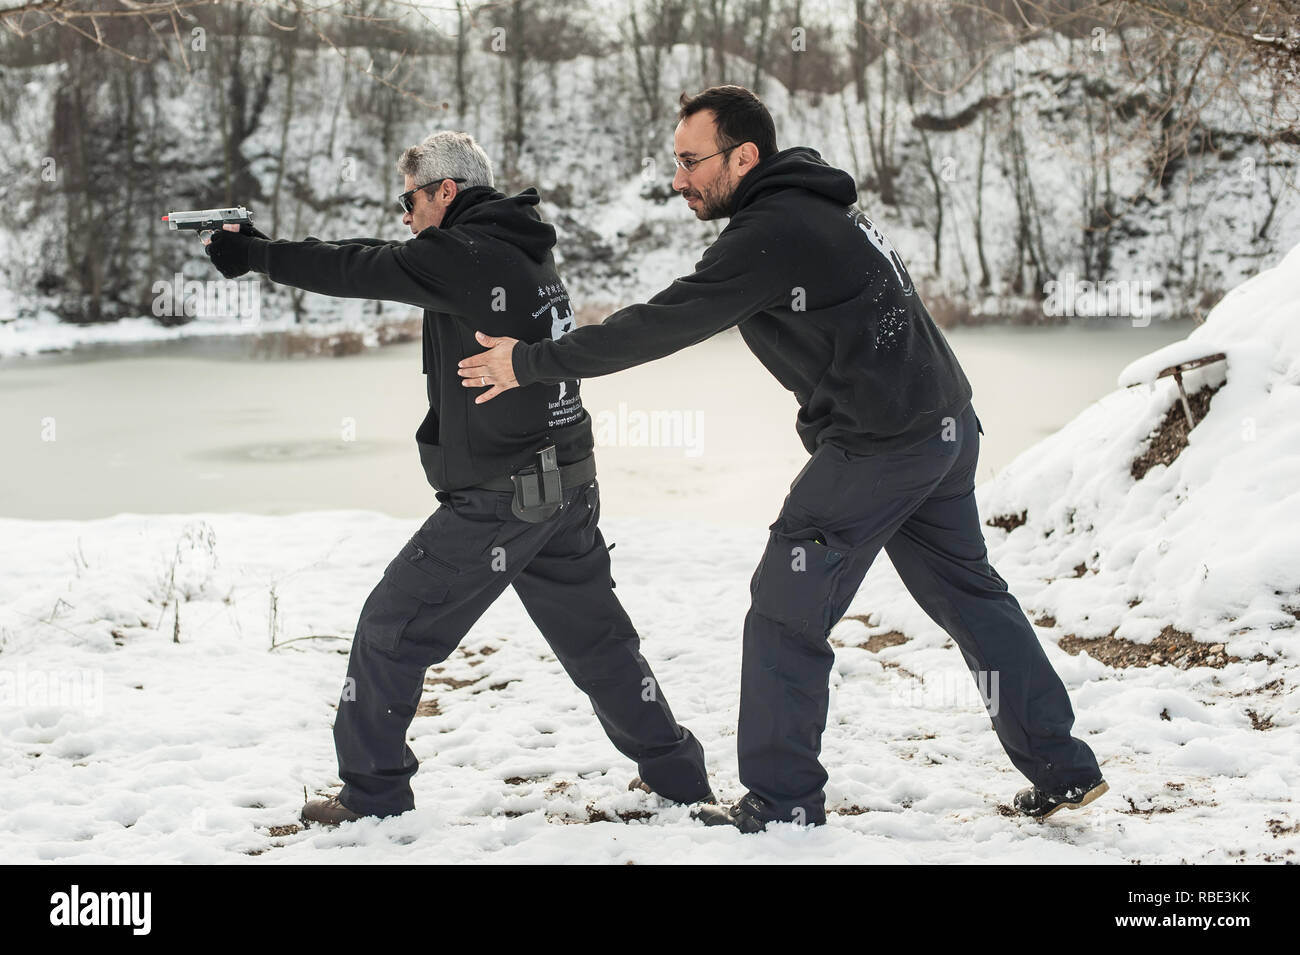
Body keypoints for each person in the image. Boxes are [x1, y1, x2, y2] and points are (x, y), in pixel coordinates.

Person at [457, 87, 1107, 832]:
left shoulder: (772, 232)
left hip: (881, 444)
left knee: (783, 608)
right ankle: (1063, 768)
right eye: (676, 161)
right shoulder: (816, 205)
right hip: (943, 427)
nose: (679, 179)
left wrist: (532, 360)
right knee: (973, 600)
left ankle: (781, 797)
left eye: (692, 161)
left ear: (745, 156)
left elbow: (659, 324)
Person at [202, 130, 713, 824]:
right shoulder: (522, 244)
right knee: (599, 642)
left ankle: (373, 794)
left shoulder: (462, 252)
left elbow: (358, 266)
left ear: (447, 192)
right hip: (565, 483)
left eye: (408, 200)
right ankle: (678, 775)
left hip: (507, 497)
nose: (404, 217)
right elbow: (380, 259)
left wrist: (256, 253)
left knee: (391, 624)